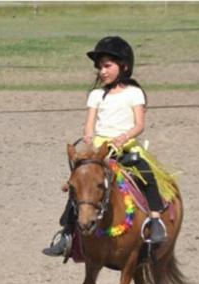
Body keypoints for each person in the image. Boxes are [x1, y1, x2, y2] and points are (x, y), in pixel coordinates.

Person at [43, 36, 176, 257]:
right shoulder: (96, 95)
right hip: (100, 150)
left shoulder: (134, 93)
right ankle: (67, 232)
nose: (102, 71)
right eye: (100, 67)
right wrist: (88, 135)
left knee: (146, 174)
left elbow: (139, 125)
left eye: (107, 66)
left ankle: (154, 221)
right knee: (80, 183)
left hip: (125, 148)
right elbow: (90, 124)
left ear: (123, 66)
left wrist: (123, 137)